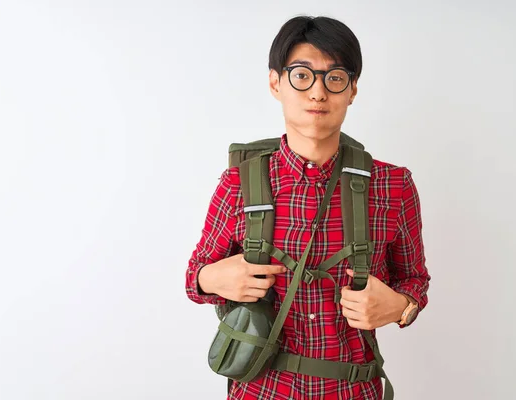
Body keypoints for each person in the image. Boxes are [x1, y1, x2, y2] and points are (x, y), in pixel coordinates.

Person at [185, 15, 431, 400]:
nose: (318, 93)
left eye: (335, 78)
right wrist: (210, 280)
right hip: (262, 391)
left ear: (352, 90)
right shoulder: (239, 183)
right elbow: (194, 276)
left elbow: (415, 279)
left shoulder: (393, 185)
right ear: (275, 82)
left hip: (354, 391)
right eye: (302, 75)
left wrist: (401, 306)